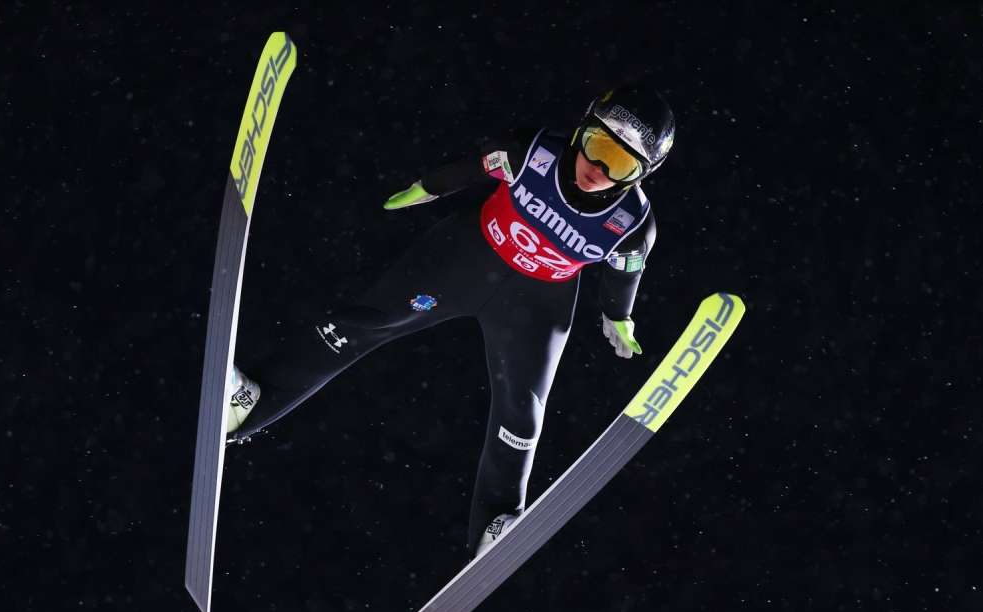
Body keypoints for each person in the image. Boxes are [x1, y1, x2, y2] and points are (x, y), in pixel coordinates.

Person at [227, 84, 676, 559]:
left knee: (521, 415)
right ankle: (250, 403)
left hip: (537, 305)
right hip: (465, 258)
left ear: (639, 176)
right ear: (582, 129)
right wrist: (427, 187)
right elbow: (472, 168)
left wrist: (618, 316)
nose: (599, 168)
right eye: (597, 145)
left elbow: (624, 274)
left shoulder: (632, 225)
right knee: (364, 322)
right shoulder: (532, 153)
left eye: (620, 164)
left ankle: (496, 524)